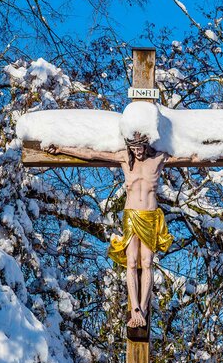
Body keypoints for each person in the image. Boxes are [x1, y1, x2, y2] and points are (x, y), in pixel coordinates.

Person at [47, 130, 173, 328]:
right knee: (131, 262)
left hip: (150, 215)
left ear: (146, 144)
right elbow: (91, 154)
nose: (138, 151)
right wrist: (61, 148)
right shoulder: (124, 158)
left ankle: (144, 308)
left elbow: (193, 154)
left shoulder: (158, 158)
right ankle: (135, 310)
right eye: (134, 147)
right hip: (131, 215)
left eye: (140, 147)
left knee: (147, 261)